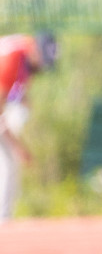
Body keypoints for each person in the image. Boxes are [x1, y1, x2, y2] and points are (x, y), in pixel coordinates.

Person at [0, 32, 57, 221]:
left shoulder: (25, 56)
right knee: (9, 159)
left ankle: (4, 217)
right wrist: (18, 146)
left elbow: (16, 94)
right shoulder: (12, 58)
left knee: (9, 160)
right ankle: (4, 219)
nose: (42, 66)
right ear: (36, 51)